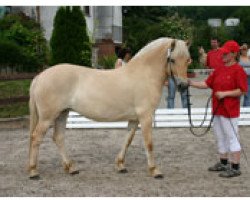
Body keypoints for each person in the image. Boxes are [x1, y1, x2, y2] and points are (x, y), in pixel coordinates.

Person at [189, 40, 248, 178]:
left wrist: (225, 94)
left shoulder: (238, 70)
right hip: (217, 108)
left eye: (225, 53)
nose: (222, 55)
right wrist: (190, 83)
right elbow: (207, 83)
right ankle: (223, 162)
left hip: (230, 110)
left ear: (233, 54)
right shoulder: (219, 69)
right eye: (223, 53)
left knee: (232, 137)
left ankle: (235, 166)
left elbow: (242, 90)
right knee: (220, 136)